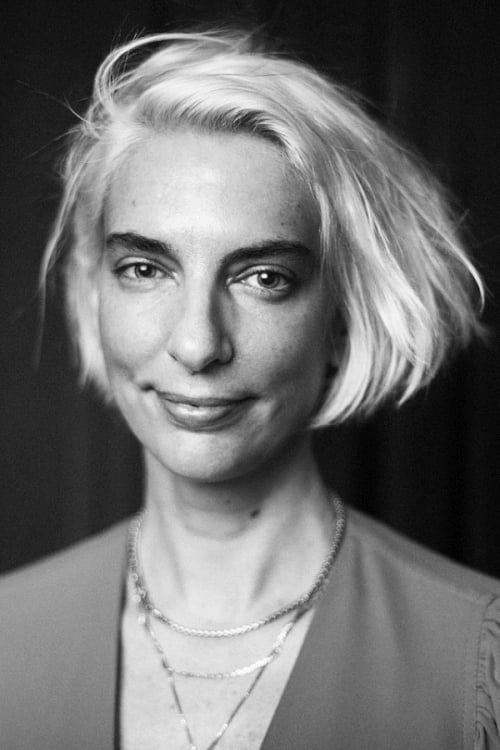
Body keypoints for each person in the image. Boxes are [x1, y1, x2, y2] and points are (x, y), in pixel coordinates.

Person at [1, 28, 499, 750]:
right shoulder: (9, 638)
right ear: (94, 292)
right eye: (146, 269)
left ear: (342, 318)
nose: (198, 344)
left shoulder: (475, 661)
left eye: (264, 278)